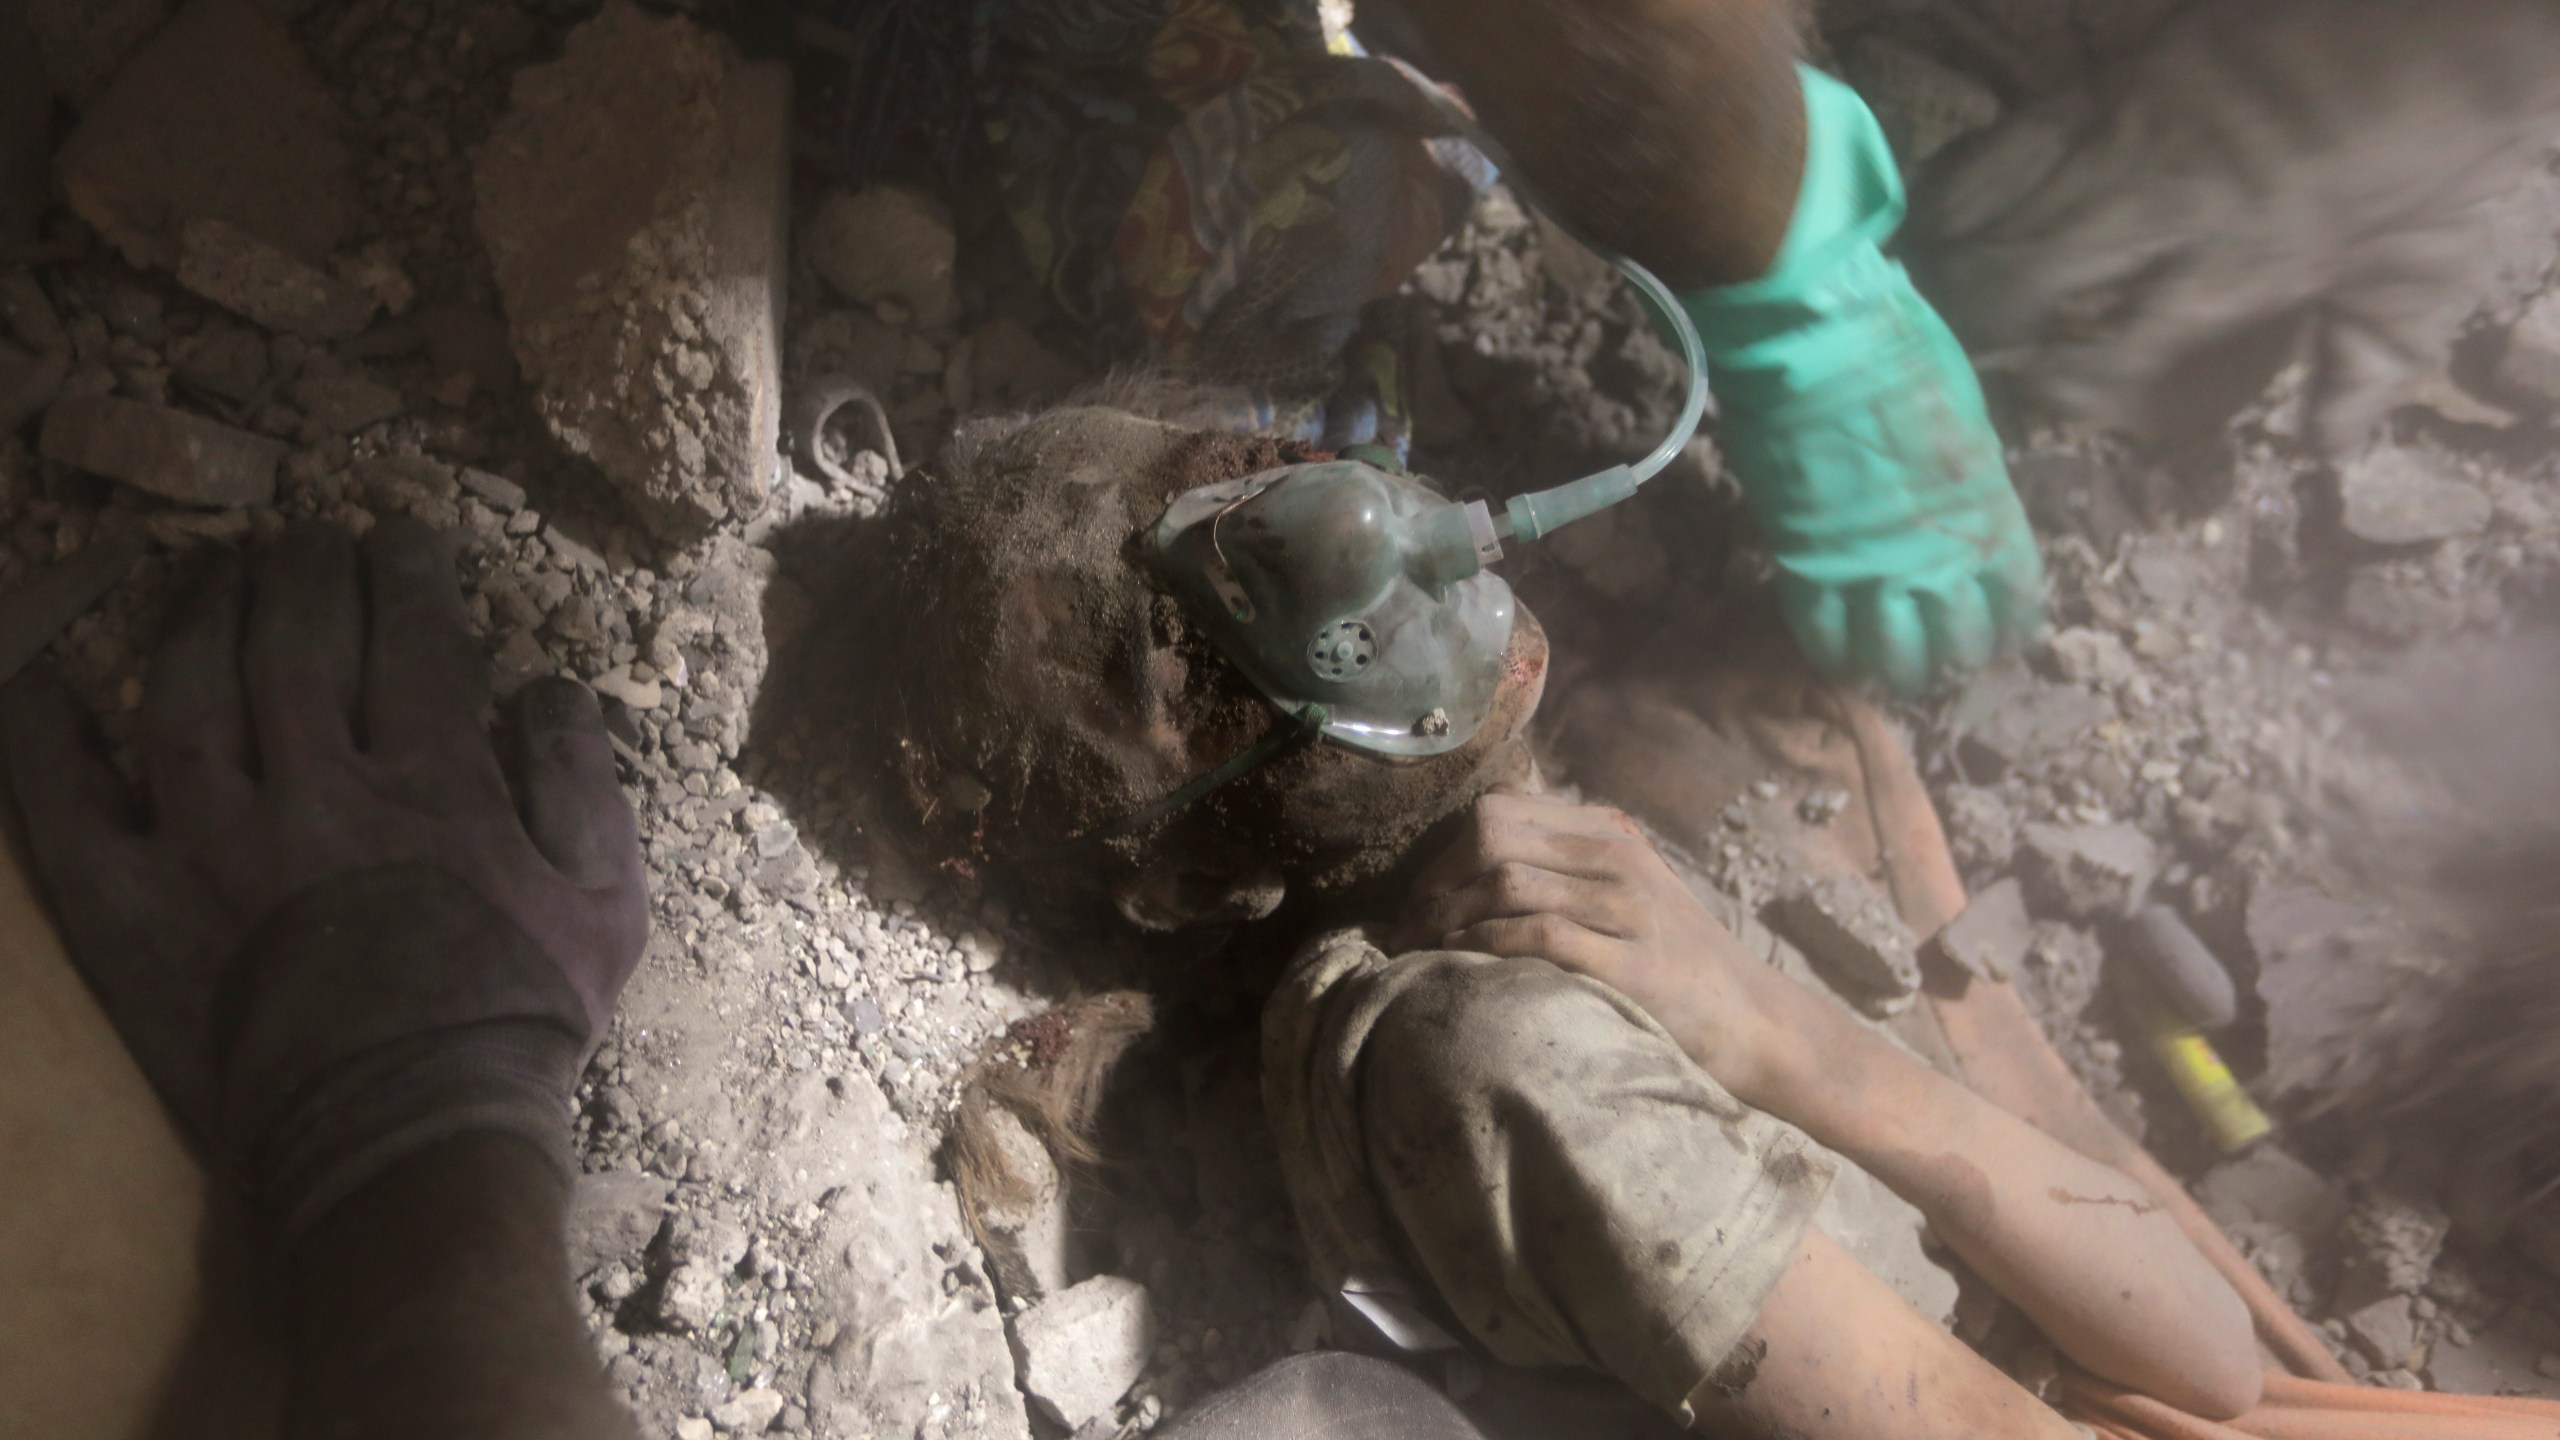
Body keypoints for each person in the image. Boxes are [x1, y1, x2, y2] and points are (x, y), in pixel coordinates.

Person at [834, 401, 2264, 1436]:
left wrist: (1773, 1023)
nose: (1347, 533)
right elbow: (2195, 1359)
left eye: (1252, 472)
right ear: (1203, 883)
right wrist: (1777, 1030)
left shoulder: (1577, 881)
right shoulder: (1496, 1051)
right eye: (1186, 660)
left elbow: (2224, 1364)